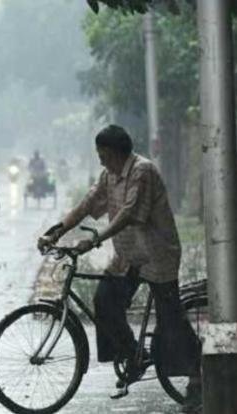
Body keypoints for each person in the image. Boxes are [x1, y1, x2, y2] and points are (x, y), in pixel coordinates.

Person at [38, 125, 201, 409]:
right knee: (105, 300)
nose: (100, 160)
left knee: (170, 320)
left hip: (157, 254)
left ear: (115, 153)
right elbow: (87, 204)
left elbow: (128, 214)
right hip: (128, 256)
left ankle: (198, 378)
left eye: (102, 154)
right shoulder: (109, 175)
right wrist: (56, 231)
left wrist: (95, 240)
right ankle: (131, 356)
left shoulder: (142, 171)